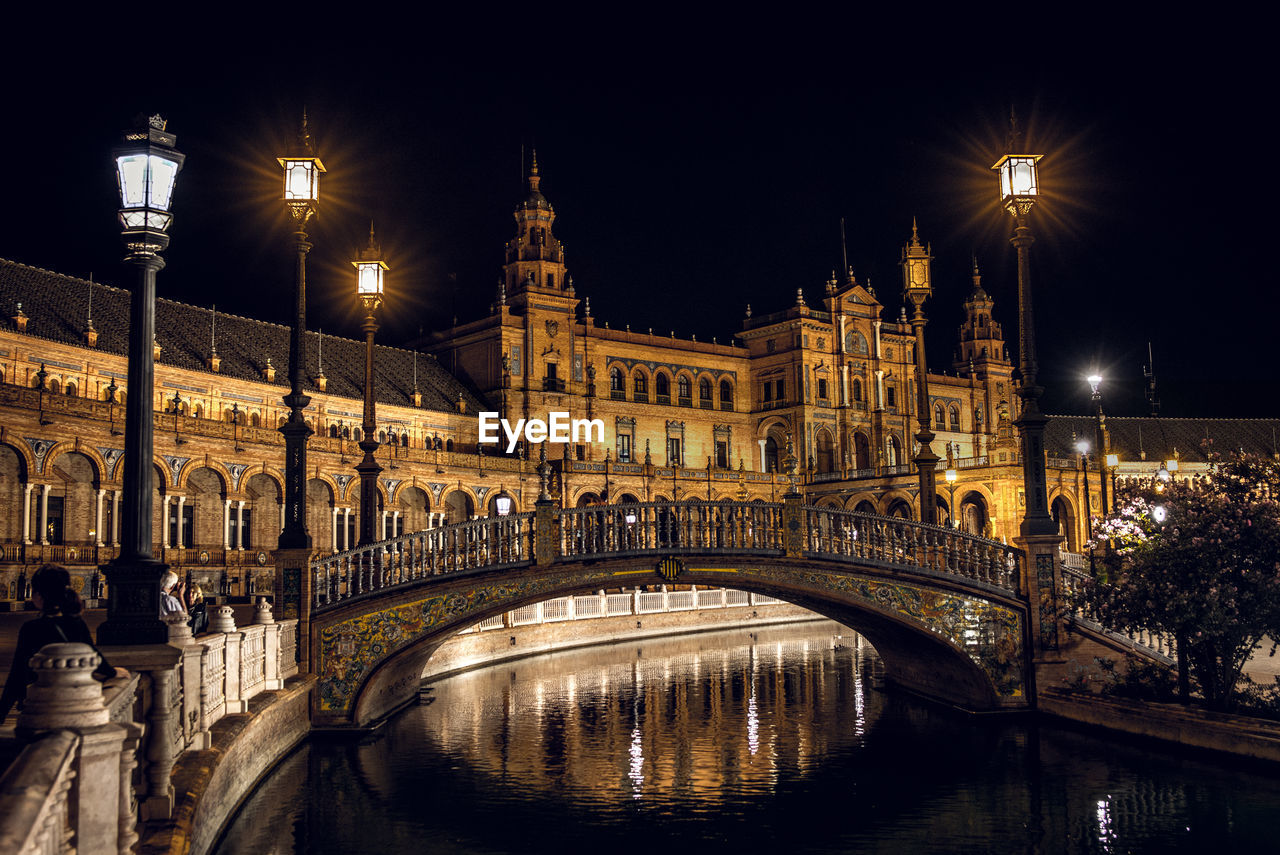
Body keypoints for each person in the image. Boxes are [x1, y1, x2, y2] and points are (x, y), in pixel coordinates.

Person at [0, 565, 119, 723]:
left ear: (38, 596)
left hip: (41, 708)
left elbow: (17, 675)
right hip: (75, 706)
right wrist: (114, 673)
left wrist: (1, 714)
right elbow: (96, 658)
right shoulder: (78, 623)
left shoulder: (32, 628)